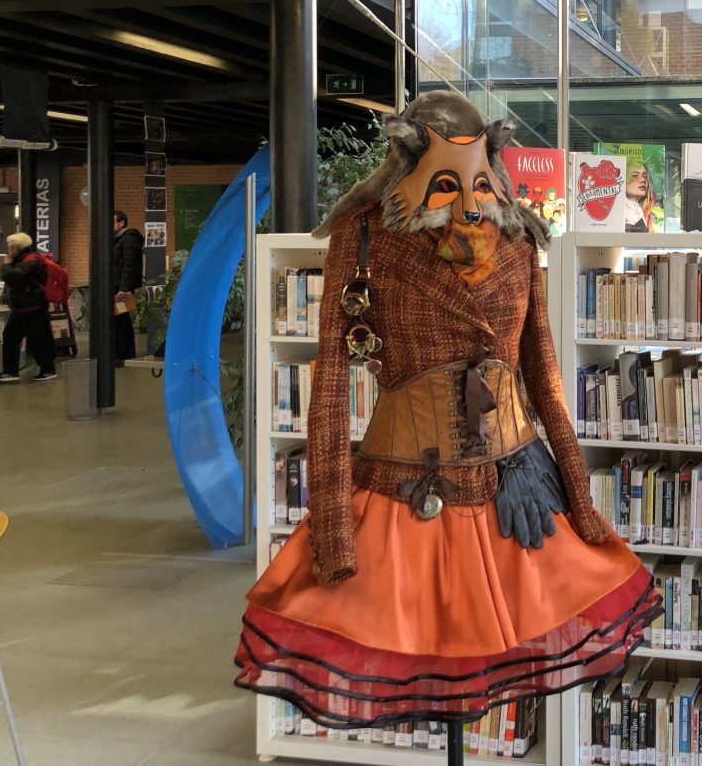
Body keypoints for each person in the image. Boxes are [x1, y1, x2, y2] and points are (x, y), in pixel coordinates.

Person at [234, 92, 660, 728]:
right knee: (414, 642)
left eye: (478, 178)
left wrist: (582, 502)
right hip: (405, 497)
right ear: (405, 162)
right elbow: (328, 388)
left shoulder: (518, 241)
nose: (466, 200)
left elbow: (542, 373)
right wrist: (331, 530)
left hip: (516, 491)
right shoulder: (364, 239)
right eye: (442, 182)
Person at [0, 232, 57, 383]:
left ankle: (48, 370)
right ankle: (10, 371)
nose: (9, 250)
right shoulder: (25, 260)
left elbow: (15, 277)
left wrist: (6, 264)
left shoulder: (32, 261)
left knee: (39, 340)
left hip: (33, 308)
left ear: (17, 248)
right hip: (22, 308)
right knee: (11, 337)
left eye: (11, 247)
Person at [112, 210, 144, 362]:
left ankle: (124, 354)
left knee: (121, 321)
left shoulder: (129, 240)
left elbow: (129, 265)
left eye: (113, 222)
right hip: (119, 286)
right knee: (120, 320)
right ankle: (122, 352)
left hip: (121, 289)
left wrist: (124, 288)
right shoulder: (119, 239)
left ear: (121, 223)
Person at [622, 156, 662, 233]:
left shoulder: (637, 207)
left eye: (645, 176)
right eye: (634, 175)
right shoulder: (622, 210)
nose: (643, 180)